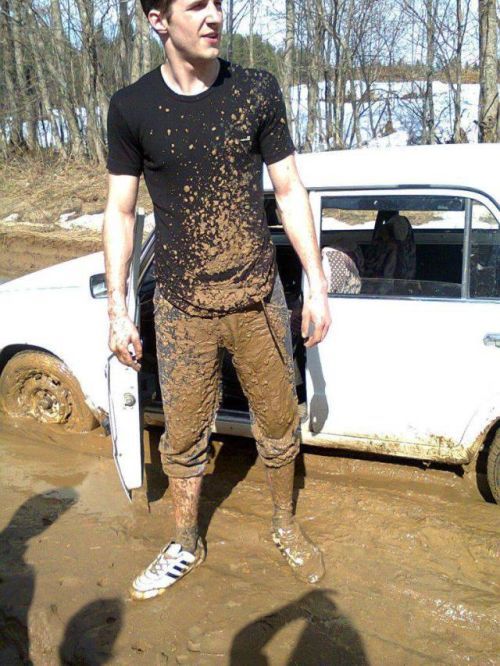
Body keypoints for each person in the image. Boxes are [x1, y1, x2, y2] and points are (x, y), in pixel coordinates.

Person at [102, 0, 331, 600]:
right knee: (182, 437)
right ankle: (184, 541)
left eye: (219, 3)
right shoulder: (132, 107)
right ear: (158, 20)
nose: (214, 16)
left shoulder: (255, 90)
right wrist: (118, 311)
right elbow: (120, 212)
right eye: (196, 5)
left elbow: (289, 188)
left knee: (278, 422)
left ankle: (284, 524)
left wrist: (316, 284)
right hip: (182, 307)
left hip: (257, 299)